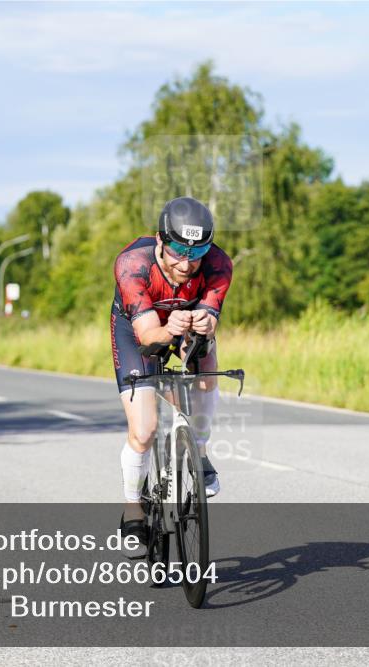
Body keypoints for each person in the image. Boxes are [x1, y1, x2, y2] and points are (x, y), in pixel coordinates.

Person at [110, 196, 233, 557]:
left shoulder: (218, 264)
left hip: (185, 321)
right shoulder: (132, 264)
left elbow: (209, 318)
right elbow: (149, 336)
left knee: (207, 363)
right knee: (144, 430)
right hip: (137, 329)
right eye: (178, 249)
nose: (187, 261)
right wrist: (168, 330)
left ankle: (200, 448)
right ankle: (133, 508)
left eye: (197, 252)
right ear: (161, 241)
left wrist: (204, 324)